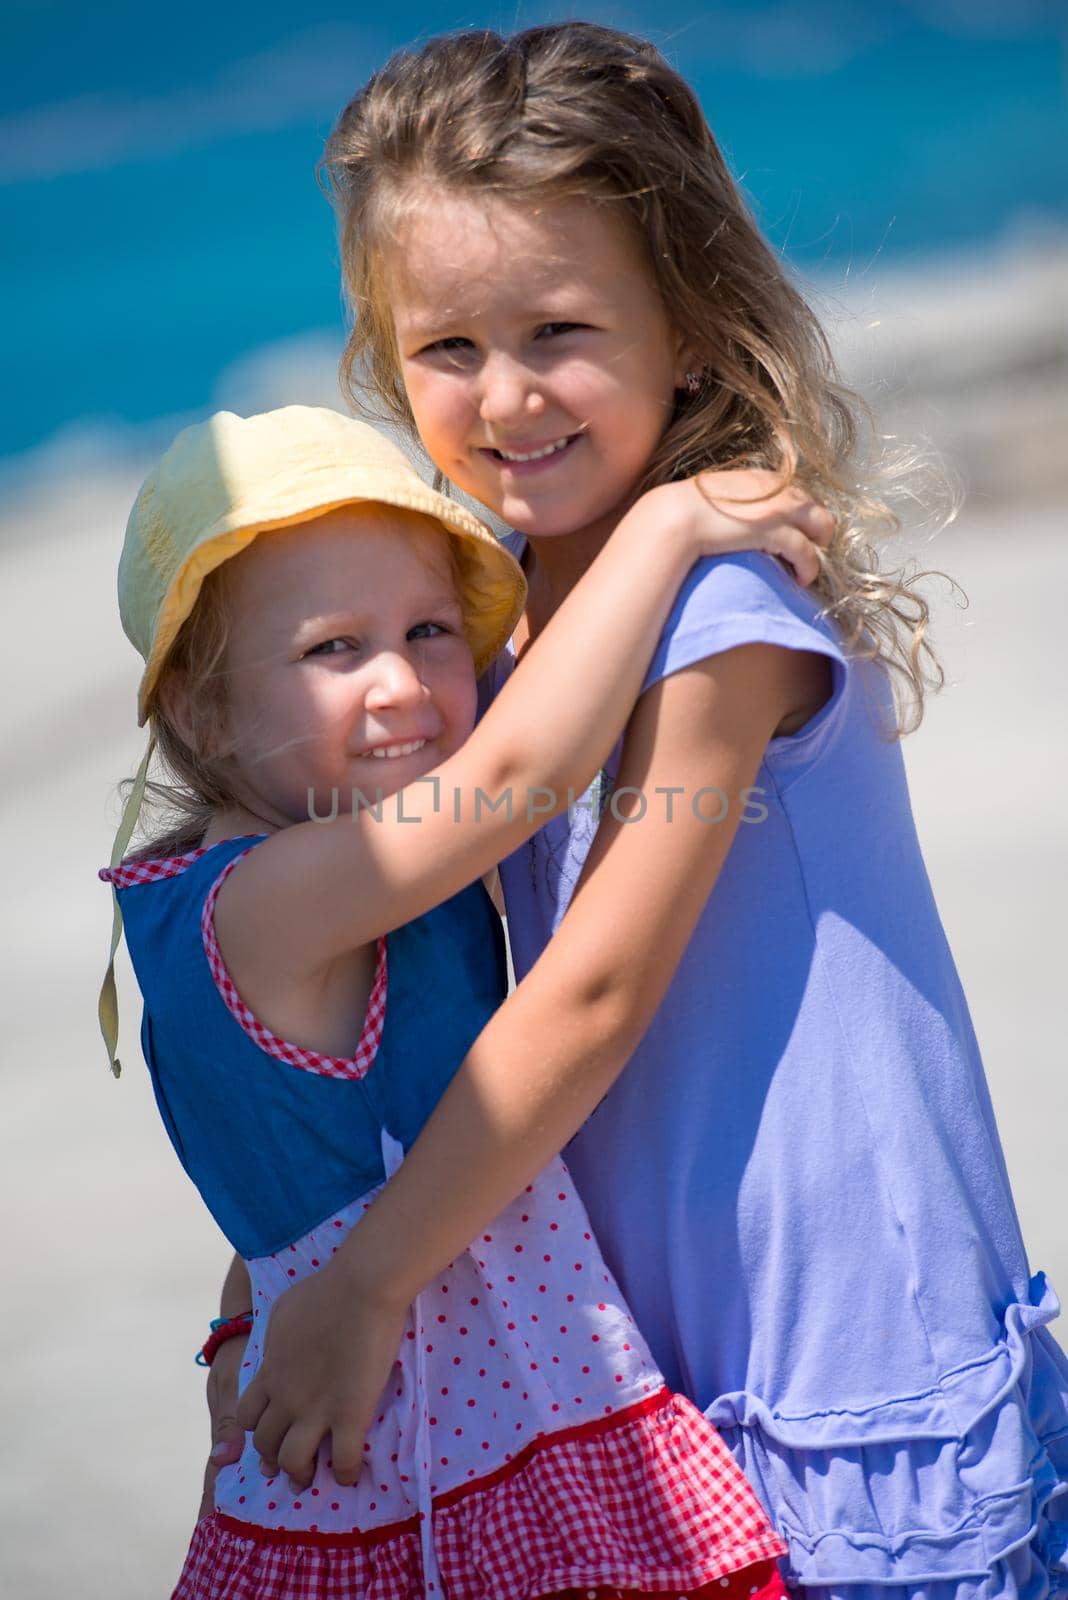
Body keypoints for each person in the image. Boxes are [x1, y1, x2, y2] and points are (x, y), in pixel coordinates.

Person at [206, 23, 1068, 1600]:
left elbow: (594, 990)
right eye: (447, 349)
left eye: (560, 329)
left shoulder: (721, 616)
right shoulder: (495, 640)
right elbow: (406, 1001)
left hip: (836, 1345)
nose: (508, 395)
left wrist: (376, 1284)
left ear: (688, 325)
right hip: (635, 1360)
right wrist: (276, 1281)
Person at [100, 403, 833, 1597]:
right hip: (410, 1479)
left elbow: (300, 1186)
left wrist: (244, 1323)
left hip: (507, 1434)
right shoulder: (265, 900)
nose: (402, 684)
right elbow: (523, 777)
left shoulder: (331, 856)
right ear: (201, 711)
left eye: (431, 629)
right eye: (333, 648)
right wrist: (667, 526)